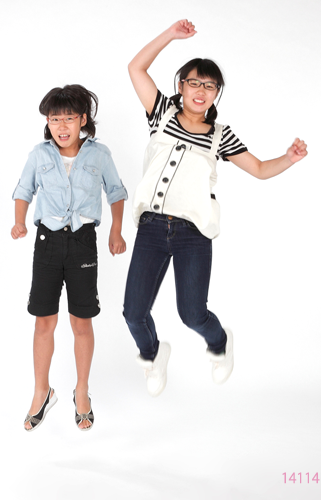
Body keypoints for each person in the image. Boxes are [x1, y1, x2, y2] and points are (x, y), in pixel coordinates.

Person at [124, 19, 307, 396]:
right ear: (181, 86)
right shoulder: (161, 114)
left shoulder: (220, 136)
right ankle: (153, 355)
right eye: (194, 82)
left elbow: (259, 169)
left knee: (192, 314)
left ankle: (220, 344)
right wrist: (170, 36)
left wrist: (288, 158)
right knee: (133, 313)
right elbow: (136, 68)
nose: (201, 91)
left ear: (216, 93)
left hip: (193, 234)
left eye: (210, 86)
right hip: (152, 229)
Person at [12, 84, 128, 431]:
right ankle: (42, 391)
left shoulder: (99, 154)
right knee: (43, 321)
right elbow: (23, 189)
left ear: (83, 120)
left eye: (68, 119)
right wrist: (19, 222)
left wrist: (116, 230)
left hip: (83, 243)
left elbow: (116, 192)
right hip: (47, 242)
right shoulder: (39, 155)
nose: (61, 126)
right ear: (47, 122)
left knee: (81, 322)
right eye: (54, 119)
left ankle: (81, 391)